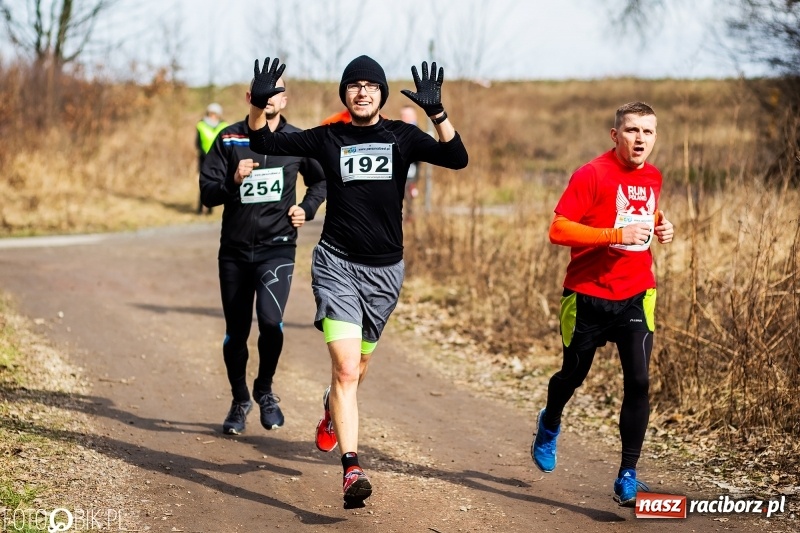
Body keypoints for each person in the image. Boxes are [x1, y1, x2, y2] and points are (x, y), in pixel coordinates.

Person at [247, 55, 468, 509]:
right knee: (347, 369)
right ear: (344, 94)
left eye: (371, 86)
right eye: (354, 86)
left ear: (382, 94)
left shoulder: (401, 136)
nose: (362, 92)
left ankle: (332, 408)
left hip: (386, 273)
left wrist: (438, 113)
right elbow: (261, 137)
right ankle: (352, 468)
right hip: (337, 265)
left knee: (357, 371)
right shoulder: (329, 136)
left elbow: (456, 157)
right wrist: (261, 102)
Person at [530, 101, 674, 507]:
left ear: (655, 137)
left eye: (647, 131)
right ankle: (550, 421)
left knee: (640, 381)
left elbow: (640, 213)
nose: (640, 139)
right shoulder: (591, 174)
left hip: (636, 291)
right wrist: (614, 235)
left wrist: (662, 223)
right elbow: (558, 229)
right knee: (572, 376)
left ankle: (628, 472)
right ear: (615, 135)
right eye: (632, 130)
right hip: (587, 294)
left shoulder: (654, 176)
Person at [199, 77, 326, 436]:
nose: (269, 98)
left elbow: (321, 181)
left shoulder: (297, 140)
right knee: (236, 333)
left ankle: (265, 389)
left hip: (278, 247)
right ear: (249, 97)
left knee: (271, 323)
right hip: (235, 252)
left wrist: (308, 207)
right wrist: (232, 181)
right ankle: (240, 400)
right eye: (262, 92)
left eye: (276, 92)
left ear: (284, 100)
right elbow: (207, 194)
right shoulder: (229, 137)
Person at [196, 103, 229, 214]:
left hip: (219, 160)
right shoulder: (201, 125)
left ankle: (210, 209)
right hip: (204, 159)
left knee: (216, 183)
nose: (213, 116)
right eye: (211, 113)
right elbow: (197, 143)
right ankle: (200, 209)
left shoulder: (224, 126)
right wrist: (205, 155)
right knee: (203, 184)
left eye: (215, 114)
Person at [399, 105, 421, 220]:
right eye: (402, 115)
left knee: (408, 194)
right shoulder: (401, 130)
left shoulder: (416, 132)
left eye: (406, 115)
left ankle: (409, 217)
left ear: (413, 116)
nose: (403, 117)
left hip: (411, 170)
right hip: (402, 170)